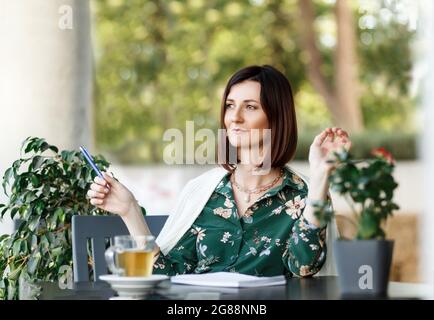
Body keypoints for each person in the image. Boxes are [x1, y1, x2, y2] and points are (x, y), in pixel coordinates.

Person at [87, 65, 351, 277]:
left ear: (276, 117)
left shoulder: (305, 194)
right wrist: (129, 209)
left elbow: (305, 267)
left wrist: (321, 176)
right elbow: (167, 275)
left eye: (250, 107)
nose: (234, 117)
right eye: (229, 105)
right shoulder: (203, 191)